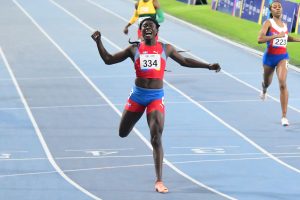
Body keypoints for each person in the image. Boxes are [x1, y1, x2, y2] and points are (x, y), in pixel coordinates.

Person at [92, 17, 220, 193]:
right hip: (137, 96)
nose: (147, 29)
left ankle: (159, 180)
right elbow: (108, 59)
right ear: (141, 31)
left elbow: (185, 62)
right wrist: (99, 41)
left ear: (157, 30)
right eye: (144, 26)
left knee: (156, 137)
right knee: (122, 133)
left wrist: (207, 66)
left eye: (151, 26)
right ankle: (156, 174)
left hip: (155, 98)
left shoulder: (165, 49)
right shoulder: (134, 49)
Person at [258, 0, 300, 126]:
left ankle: (284, 116)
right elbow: (260, 39)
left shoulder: (284, 24)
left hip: (282, 57)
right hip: (269, 58)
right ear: (271, 10)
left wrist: (298, 39)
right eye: (274, 7)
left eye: (279, 7)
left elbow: (285, 37)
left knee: (282, 82)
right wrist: (275, 36)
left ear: (282, 9)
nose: (277, 8)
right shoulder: (268, 23)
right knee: (267, 82)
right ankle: (264, 89)